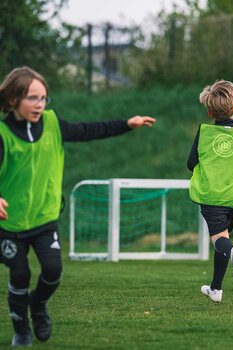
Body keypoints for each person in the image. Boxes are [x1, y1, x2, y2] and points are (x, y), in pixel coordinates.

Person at [0, 66, 156, 346]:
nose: (39, 104)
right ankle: (21, 332)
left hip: (44, 218)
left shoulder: (52, 123)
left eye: (44, 98)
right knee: (20, 273)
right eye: (32, 98)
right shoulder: (2, 134)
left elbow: (87, 130)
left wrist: (125, 124)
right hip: (8, 223)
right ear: (13, 100)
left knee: (52, 272)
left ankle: (37, 306)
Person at [187, 80, 233, 303]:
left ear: (210, 112)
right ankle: (215, 289)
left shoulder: (205, 133)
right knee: (222, 239)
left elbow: (191, 163)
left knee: (221, 241)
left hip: (212, 197)